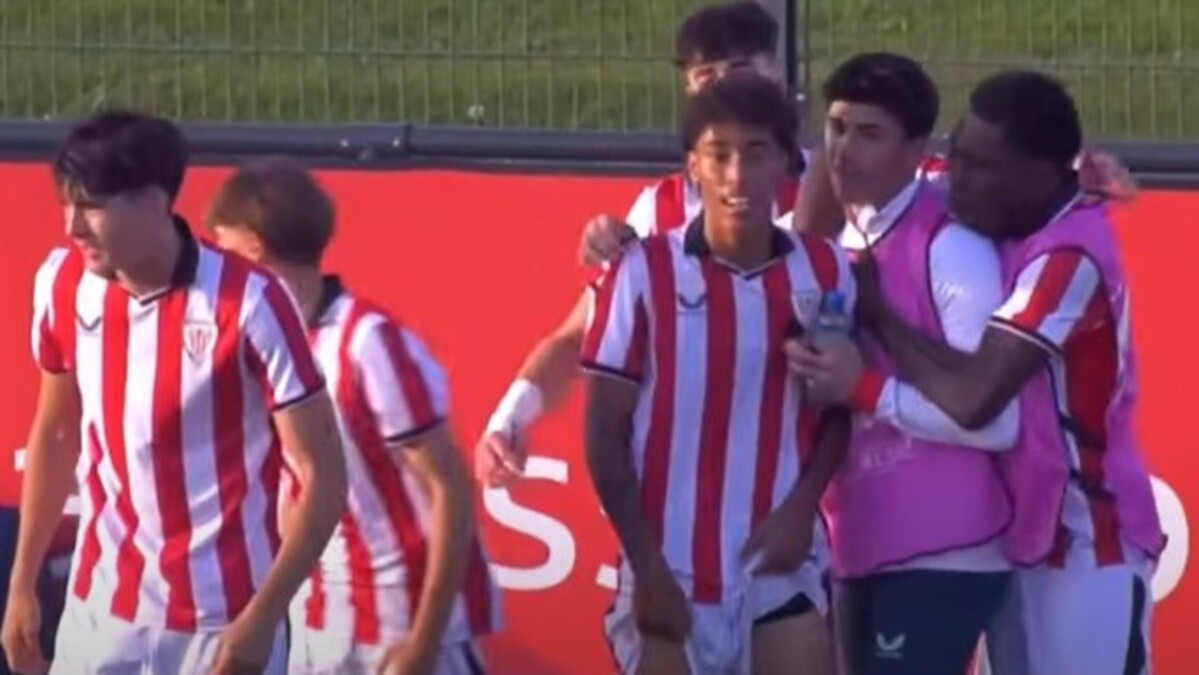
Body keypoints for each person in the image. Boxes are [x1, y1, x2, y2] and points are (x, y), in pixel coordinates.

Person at [794, 71, 1164, 675]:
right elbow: (839, 177)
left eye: (979, 167)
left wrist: (879, 324)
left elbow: (974, 398)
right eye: (954, 156)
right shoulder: (986, 199)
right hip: (1021, 535)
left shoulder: (1068, 258)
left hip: (1087, 545)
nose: (954, 178)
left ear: (1042, 174)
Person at [0, 111, 347, 675]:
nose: (72, 227)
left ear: (156, 201)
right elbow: (57, 431)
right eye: (67, 204)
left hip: (222, 623)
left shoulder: (252, 304)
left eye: (91, 206)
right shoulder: (61, 284)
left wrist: (264, 617)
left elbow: (323, 476)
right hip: (100, 612)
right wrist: (22, 585)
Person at [475, 0, 835, 488]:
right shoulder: (655, 212)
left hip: (809, 495)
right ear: (688, 90)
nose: (725, 85)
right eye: (706, 75)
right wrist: (507, 420)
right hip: (679, 496)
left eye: (742, 68)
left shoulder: (834, 186)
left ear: (777, 74)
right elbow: (576, 338)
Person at [582, 73, 853, 675]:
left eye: (756, 154)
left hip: (779, 567)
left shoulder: (827, 270)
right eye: (719, 155)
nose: (737, 175)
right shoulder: (641, 273)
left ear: (786, 161)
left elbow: (837, 409)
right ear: (692, 166)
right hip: (668, 571)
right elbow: (603, 435)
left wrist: (802, 507)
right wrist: (645, 566)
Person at [206, 159, 501, 675]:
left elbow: (451, 489)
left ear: (254, 250)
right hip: (322, 628)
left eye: (224, 250)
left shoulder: (369, 343)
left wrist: (423, 642)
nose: (217, 273)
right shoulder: (263, 345)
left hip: (403, 635)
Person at [792, 52, 1018, 675]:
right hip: (859, 542)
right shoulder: (841, 238)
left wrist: (862, 389)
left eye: (869, 135)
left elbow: (997, 422)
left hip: (946, 551)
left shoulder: (953, 249)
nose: (842, 151)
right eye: (836, 128)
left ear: (917, 149)